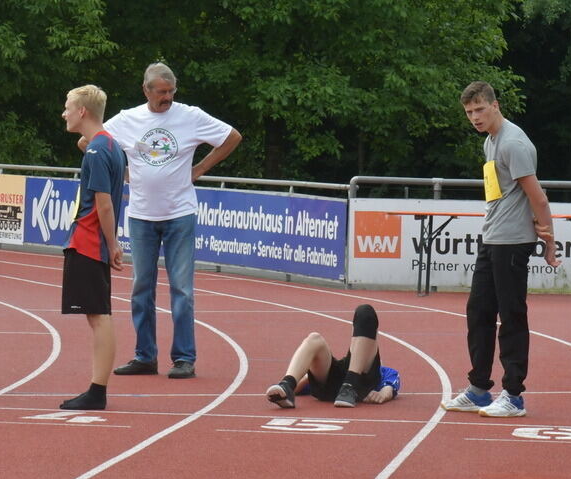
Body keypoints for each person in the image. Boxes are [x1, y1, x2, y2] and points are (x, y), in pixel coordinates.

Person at [83, 62, 242, 379]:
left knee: (182, 290)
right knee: (141, 288)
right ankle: (145, 356)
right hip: (141, 216)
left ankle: (184, 358)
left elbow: (232, 136)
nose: (167, 97)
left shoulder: (190, 116)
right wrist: (120, 174)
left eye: (171, 91)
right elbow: (89, 141)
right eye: (161, 92)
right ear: (146, 90)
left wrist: (198, 170)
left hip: (180, 214)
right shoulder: (128, 119)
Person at [441, 81, 560, 418]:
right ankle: (479, 388)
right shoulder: (490, 143)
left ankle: (513, 396)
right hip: (491, 238)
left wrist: (549, 244)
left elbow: (538, 197)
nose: (475, 117)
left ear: (495, 105)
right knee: (477, 312)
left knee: (511, 317)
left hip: (513, 243)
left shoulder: (514, 143)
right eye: (469, 112)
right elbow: (499, 194)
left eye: (480, 109)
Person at [59, 85, 126, 410]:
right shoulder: (109, 146)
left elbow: (104, 205)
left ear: (82, 111)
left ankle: (97, 391)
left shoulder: (98, 152)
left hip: (88, 241)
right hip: (94, 242)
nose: (64, 113)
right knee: (98, 314)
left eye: (68, 107)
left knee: (99, 316)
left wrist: (113, 245)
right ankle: (97, 389)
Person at [266, 304, 400, 409]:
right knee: (314, 338)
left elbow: (390, 386)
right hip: (332, 385)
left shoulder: (386, 372)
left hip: (360, 384)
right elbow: (300, 388)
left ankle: (350, 386)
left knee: (365, 312)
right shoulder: (343, 366)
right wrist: (305, 375)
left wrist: (383, 394)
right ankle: (286, 384)